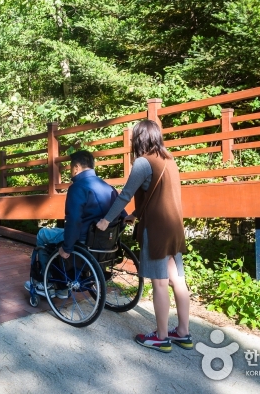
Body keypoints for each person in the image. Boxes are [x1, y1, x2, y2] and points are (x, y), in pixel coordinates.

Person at [96, 119, 191, 353]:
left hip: (157, 231)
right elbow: (160, 196)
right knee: (178, 280)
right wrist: (136, 214)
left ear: (138, 139)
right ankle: (183, 333)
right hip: (175, 228)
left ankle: (161, 337)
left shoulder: (143, 162)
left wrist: (106, 220)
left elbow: (125, 195)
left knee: (159, 283)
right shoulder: (169, 160)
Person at [24, 149, 126, 299]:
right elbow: (122, 215)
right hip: (104, 242)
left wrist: (67, 247)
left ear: (77, 167)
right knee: (58, 236)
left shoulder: (78, 187)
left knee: (43, 234)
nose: (71, 172)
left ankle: (48, 283)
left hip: (83, 239)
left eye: (71, 168)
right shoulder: (108, 187)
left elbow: (73, 220)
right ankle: (62, 288)